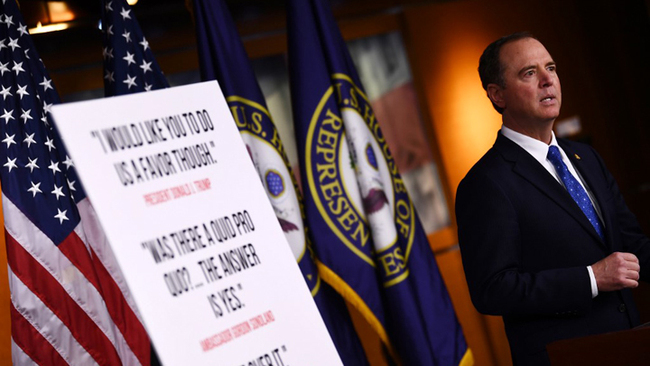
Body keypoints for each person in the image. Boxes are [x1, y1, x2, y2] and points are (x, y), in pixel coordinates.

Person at [455, 32, 650, 366]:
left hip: (631, 346)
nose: (548, 80)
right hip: (564, 357)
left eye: (551, 68)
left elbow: (631, 244)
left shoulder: (586, 158)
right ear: (497, 95)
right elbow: (493, 289)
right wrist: (590, 278)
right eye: (529, 73)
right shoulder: (486, 183)